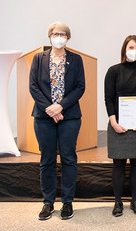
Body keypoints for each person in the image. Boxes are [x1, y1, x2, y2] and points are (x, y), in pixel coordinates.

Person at [29, 22, 85, 220]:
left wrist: (60, 106)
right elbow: (33, 87)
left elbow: (80, 87)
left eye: (62, 34)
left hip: (69, 116)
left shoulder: (76, 60)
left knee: (69, 158)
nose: (58, 37)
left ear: (67, 38)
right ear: (49, 37)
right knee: (47, 159)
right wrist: (50, 109)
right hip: (44, 117)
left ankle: (67, 202)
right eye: (55, 34)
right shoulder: (38, 58)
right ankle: (48, 202)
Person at [104, 35, 136, 217]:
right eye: (131, 47)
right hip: (118, 124)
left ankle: (134, 201)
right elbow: (108, 99)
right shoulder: (113, 71)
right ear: (124, 49)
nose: (134, 51)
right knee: (118, 164)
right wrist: (114, 122)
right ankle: (117, 202)